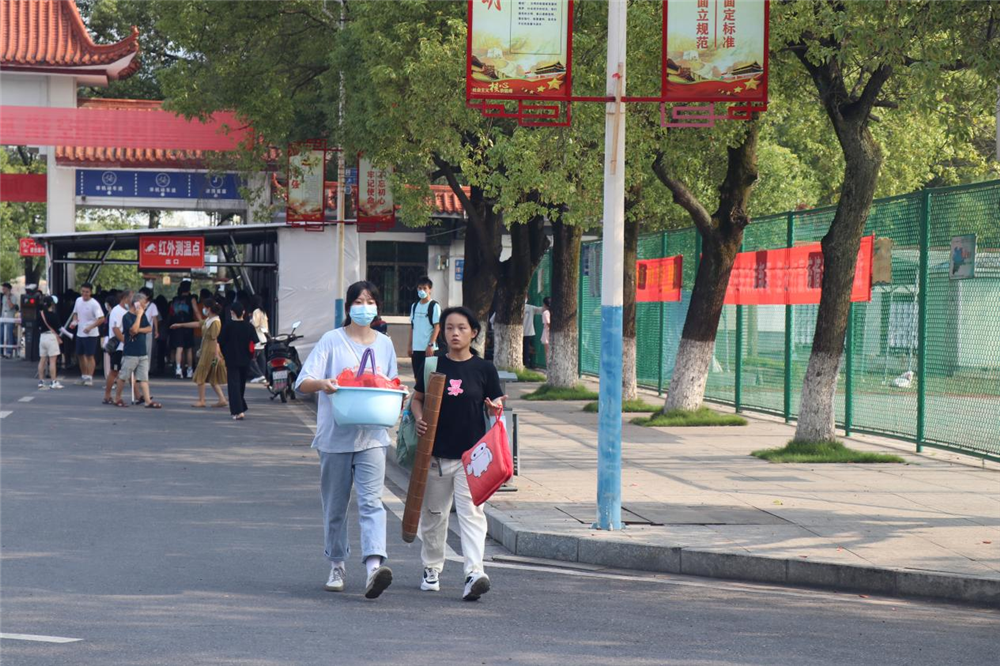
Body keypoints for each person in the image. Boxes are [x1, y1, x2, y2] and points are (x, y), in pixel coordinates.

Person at [295, 280, 400, 600]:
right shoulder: (332, 341)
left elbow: (391, 382)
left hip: (372, 436)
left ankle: (374, 567)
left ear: (377, 307)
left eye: (370, 301)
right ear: (348, 307)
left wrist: (400, 395)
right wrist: (323, 384)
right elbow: (302, 382)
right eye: (358, 301)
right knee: (336, 505)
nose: (364, 307)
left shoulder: (385, 344)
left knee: (372, 502)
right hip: (335, 438)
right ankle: (337, 564)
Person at [411, 306, 506, 602]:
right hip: (436, 455)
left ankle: (474, 573)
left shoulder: (484, 369)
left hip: (473, 459)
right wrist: (419, 418)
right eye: (449, 327)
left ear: (473, 332)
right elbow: (417, 399)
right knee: (434, 515)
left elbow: (497, 403)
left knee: (472, 514)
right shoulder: (432, 365)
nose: (455, 333)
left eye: (462, 328)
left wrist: (494, 408)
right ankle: (431, 568)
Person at [172, 298, 227, 408]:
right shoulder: (209, 320)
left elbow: (215, 339)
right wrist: (181, 325)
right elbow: (198, 323)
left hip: (210, 352)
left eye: (205, 308)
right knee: (212, 376)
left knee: (201, 374)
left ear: (209, 309)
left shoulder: (215, 322)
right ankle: (222, 399)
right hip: (208, 350)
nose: (204, 309)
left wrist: (216, 355)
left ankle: (202, 400)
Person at [115, 293, 161, 409]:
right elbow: (133, 330)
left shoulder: (143, 315)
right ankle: (117, 398)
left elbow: (149, 328)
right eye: (143, 303)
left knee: (144, 378)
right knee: (123, 376)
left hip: (142, 352)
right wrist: (139, 316)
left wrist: (139, 327)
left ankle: (147, 400)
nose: (145, 305)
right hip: (131, 352)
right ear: (136, 303)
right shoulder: (127, 317)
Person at [218, 301, 256, 420]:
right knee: (241, 384)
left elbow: (220, 341)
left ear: (232, 312)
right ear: (243, 312)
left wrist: (222, 355)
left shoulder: (228, 326)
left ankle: (238, 411)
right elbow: (255, 342)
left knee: (233, 385)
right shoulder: (249, 326)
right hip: (245, 359)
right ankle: (241, 407)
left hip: (231, 358)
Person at [68, 282, 106, 385]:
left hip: (91, 334)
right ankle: (84, 375)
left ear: (91, 292)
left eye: (87, 292)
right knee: (80, 355)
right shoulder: (78, 300)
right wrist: (74, 321)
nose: (85, 294)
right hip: (80, 332)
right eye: (83, 291)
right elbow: (75, 313)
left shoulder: (94, 304)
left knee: (90, 355)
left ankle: (89, 377)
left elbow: (101, 318)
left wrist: (90, 327)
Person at [408, 276, 441, 389]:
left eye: (424, 288)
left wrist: (431, 344)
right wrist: (410, 345)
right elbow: (412, 327)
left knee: (429, 377)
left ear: (430, 290)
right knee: (417, 377)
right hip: (416, 349)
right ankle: (419, 397)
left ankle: (429, 398)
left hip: (429, 349)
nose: (422, 291)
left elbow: (437, 326)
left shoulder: (434, 306)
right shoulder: (414, 306)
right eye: (419, 288)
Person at [102, 290, 132, 405]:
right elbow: (116, 329)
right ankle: (107, 395)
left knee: (129, 371)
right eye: (131, 298)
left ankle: (138, 395)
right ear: (125, 298)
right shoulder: (117, 311)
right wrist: (125, 341)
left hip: (125, 346)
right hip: (118, 347)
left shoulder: (127, 311)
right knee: (114, 371)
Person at [169, 281, 197, 379]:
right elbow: (196, 311)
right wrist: (202, 322)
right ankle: (189, 370)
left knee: (179, 348)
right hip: (188, 325)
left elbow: (171, 313)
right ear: (189, 289)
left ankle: (178, 369)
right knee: (188, 349)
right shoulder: (191, 299)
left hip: (176, 326)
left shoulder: (175, 300)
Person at [36, 295, 64, 389]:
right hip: (51, 337)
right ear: (52, 304)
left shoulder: (40, 314)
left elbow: (37, 325)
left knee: (42, 360)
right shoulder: (54, 315)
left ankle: (41, 381)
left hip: (42, 337)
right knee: (52, 361)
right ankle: (53, 381)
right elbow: (59, 327)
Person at [248, 295, 269, 384]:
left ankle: (259, 375)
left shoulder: (256, 311)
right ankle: (262, 375)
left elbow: (254, 324)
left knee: (251, 358)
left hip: (257, 338)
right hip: (263, 337)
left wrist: (250, 319)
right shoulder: (263, 312)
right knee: (261, 358)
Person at [521, 300, 545, 369]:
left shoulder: (530, 307)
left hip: (526, 331)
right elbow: (541, 310)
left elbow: (540, 310)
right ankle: (526, 362)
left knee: (525, 347)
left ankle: (525, 362)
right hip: (527, 331)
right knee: (526, 347)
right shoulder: (530, 307)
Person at [1, 282, 17, 358]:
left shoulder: (13, 297)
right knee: (1, 335)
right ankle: (1, 352)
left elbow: (11, 306)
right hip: (3, 318)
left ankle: (9, 352)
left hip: (10, 318)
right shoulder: (3, 297)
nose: (2, 290)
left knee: (9, 335)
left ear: (8, 289)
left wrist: (8, 298)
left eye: (4, 288)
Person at [541, 297, 552, 365]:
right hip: (551, 332)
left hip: (547, 332)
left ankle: (548, 366)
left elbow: (548, 323)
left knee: (547, 351)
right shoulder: (553, 311)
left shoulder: (545, 313)